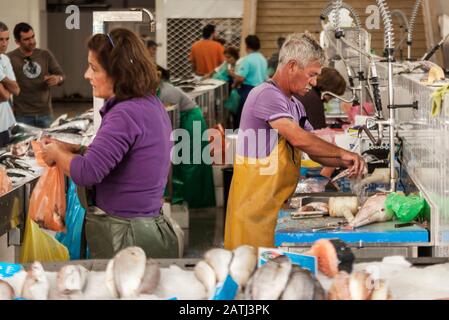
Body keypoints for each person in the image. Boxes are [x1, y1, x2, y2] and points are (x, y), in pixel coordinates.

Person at [40, 28, 179, 259]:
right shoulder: (149, 103)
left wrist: (55, 152)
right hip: (146, 229)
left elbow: (88, 172)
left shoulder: (124, 114)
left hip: (127, 236)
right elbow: (124, 157)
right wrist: (77, 150)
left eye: (94, 68)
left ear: (119, 73)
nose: (86, 75)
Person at [224, 33, 366, 250]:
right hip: (254, 208)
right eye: (312, 74)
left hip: (274, 205)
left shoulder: (295, 104)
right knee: (252, 272)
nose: (315, 82)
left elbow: (312, 146)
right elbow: (299, 138)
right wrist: (342, 154)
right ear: (292, 66)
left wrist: (343, 162)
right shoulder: (266, 95)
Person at [157, 65, 216, 208]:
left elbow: (173, 119)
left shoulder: (166, 91)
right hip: (183, 119)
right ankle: (183, 196)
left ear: (157, 76)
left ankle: (192, 200)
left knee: (191, 162)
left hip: (190, 121)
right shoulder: (158, 89)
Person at [8, 23, 65, 128]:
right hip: (22, 115)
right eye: (26, 39)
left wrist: (57, 79)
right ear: (17, 42)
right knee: (23, 144)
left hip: (45, 114)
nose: (32, 41)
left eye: (33, 36)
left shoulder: (45, 55)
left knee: (47, 143)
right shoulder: (10, 58)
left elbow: (61, 76)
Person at [231, 35, 268, 128]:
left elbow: (240, 78)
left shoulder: (247, 59)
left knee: (242, 117)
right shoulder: (263, 59)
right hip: (261, 91)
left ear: (247, 46)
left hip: (248, 91)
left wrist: (233, 80)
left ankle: (240, 138)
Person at [0, 22, 19, 147]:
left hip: (6, 125)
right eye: (0, 39)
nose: (4, 43)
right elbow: (4, 96)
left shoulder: (5, 59)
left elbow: (16, 89)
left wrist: (1, 77)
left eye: (7, 39)